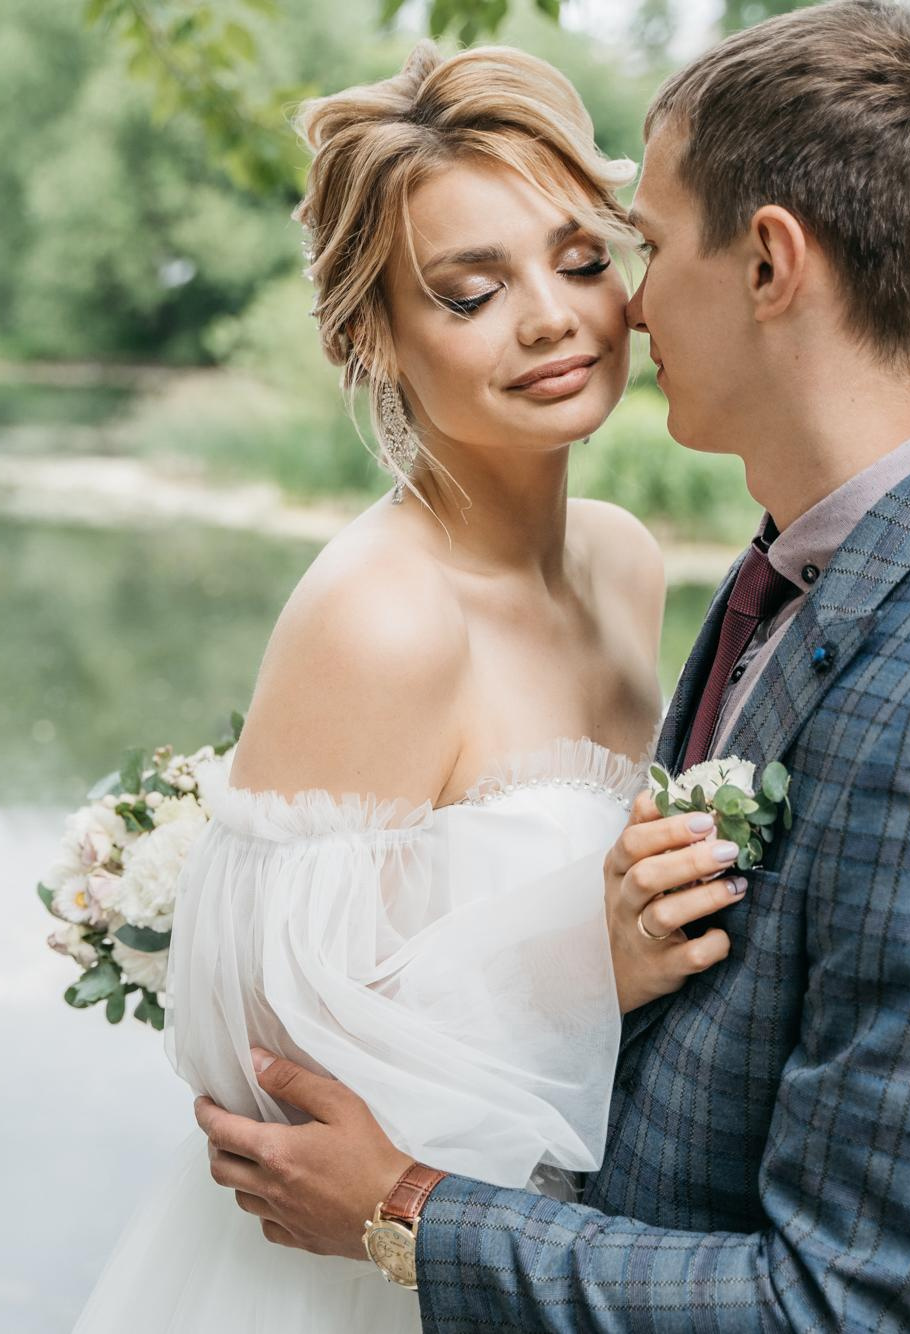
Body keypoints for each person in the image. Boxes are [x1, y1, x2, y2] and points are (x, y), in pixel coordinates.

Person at [194, 3, 910, 1330]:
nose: (614, 307)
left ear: (768, 265)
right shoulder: (785, 570)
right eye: (473, 290)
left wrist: (412, 1207)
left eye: (616, 250)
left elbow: (880, 1303)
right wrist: (577, 956)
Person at [70, 41, 741, 1334]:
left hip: (579, 1246)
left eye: (581, 258)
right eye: (469, 290)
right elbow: (259, 1061)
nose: (551, 315)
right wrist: (586, 957)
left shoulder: (624, 560)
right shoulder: (382, 614)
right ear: (370, 331)